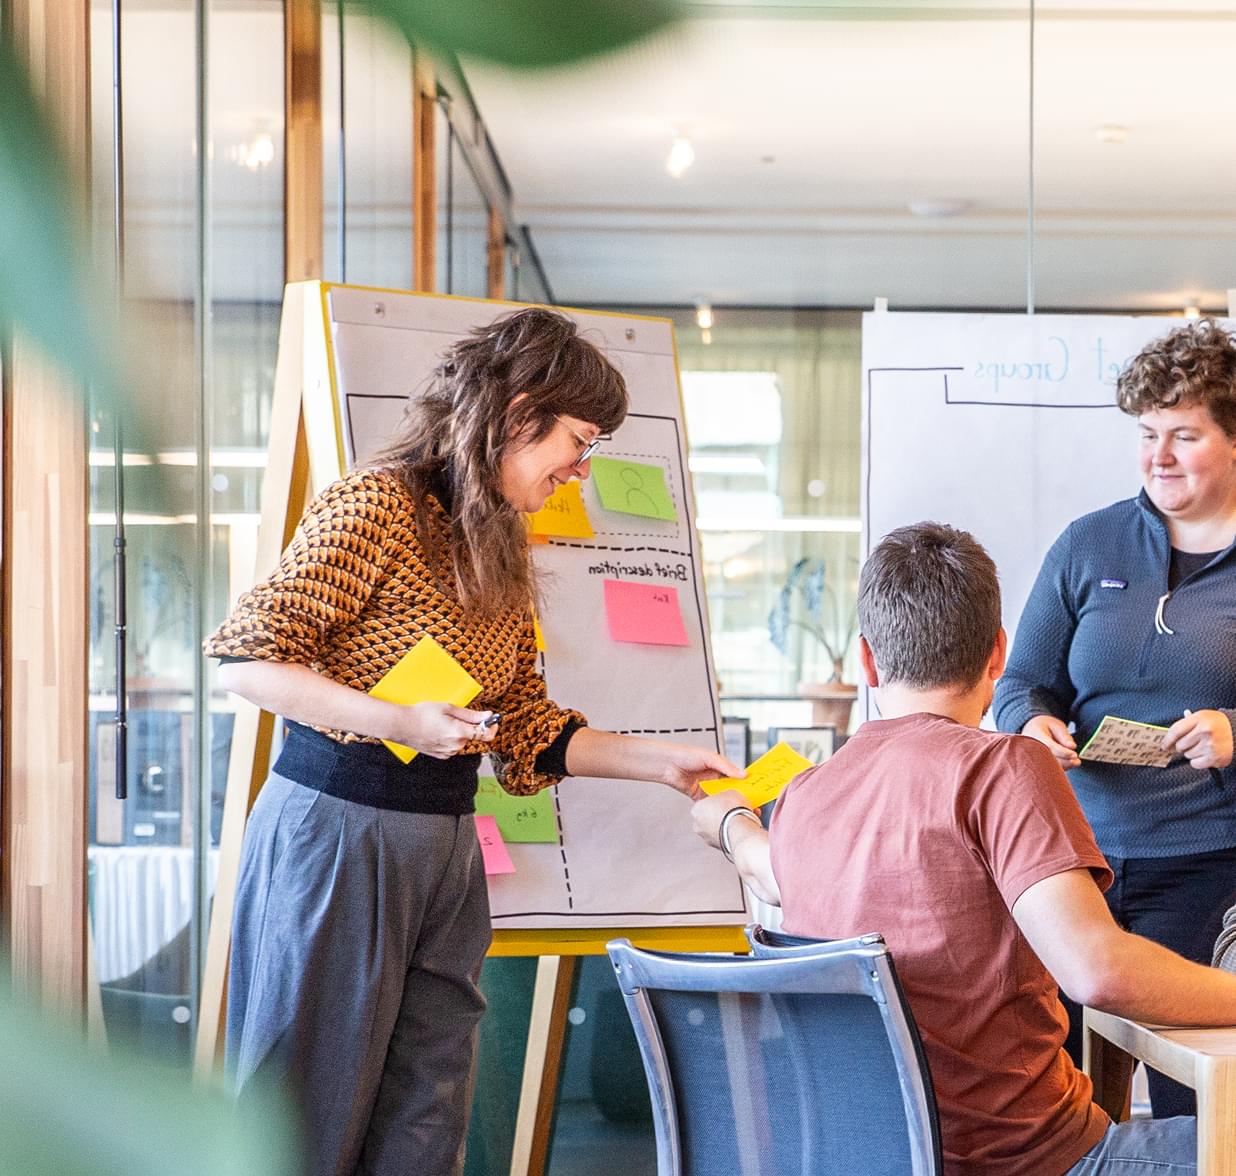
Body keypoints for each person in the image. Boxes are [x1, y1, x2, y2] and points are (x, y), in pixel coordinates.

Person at [204, 307, 740, 1176]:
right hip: (341, 830)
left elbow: (527, 725)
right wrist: (400, 721)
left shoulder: (500, 541)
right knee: (302, 1108)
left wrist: (662, 764)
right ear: (518, 411)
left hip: (444, 846)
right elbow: (245, 660)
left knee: (429, 1111)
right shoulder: (376, 504)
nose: (581, 466)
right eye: (578, 438)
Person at [694, 522, 1236, 1174]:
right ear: (998, 653)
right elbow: (1098, 971)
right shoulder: (1006, 769)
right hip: (1038, 1163)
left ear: (866, 660)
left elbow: (769, 871)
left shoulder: (807, 797)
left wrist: (731, 823)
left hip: (876, 1158)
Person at [993, 317, 1236, 1117]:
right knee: (1049, 1101)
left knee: (1186, 1100)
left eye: (1184, 435)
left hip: (1205, 869)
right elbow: (1021, 681)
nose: (1157, 455)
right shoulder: (1088, 544)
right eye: (1146, 433)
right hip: (1069, 865)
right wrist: (1032, 725)